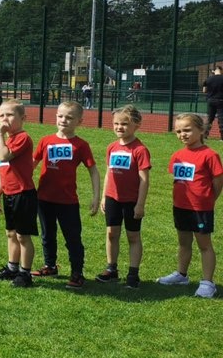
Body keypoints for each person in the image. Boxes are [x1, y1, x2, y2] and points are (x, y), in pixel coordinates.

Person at [31, 102, 100, 288]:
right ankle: (50, 265)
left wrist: (96, 196)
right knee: (47, 235)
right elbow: (31, 165)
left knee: (73, 238)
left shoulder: (81, 145)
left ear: (79, 121)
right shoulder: (45, 141)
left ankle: (77, 273)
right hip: (44, 199)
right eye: (60, 116)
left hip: (68, 201)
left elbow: (93, 170)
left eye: (69, 117)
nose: (64, 120)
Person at [158, 113, 221, 299]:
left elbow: (218, 181)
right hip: (180, 206)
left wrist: (209, 199)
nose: (182, 134)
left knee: (204, 245)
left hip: (200, 209)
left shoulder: (210, 155)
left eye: (187, 130)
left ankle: (208, 283)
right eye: (178, 131)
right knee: (183, 242)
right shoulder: (177, 155)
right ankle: (181, 275)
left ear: (201, 130)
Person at [96, 105, 150, 288]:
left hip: (131, 201)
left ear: (137, 125)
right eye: (116, 123)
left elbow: (144, 179)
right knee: (112, 233)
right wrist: (104, 196)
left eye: (124, 124)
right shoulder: (112, 147)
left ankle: (133, 274)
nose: (119, 127)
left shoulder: (140, 150)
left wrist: (140, 204)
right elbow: (108, 173)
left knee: (133, 236)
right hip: (113, 198)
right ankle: (111, 269)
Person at [0, 100, 38, 288]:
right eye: (1, 115)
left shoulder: (22, 138)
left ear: (22, 118)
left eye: (9, 115)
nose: (4, 119)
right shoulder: (7, 140)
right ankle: (12, 268)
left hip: (23, 194)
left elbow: (4, 156)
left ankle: (25, 273)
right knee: (11, 233)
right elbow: (2, 169)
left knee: (23, 236)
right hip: (9, 193)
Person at [202, 63, 223, 140]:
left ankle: (204, 135)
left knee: (209, 118)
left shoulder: (208, 79)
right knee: (221, 119)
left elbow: (204, 91)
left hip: (210, 100)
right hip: (221, 101)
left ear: (213, 71)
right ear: (221, 70)